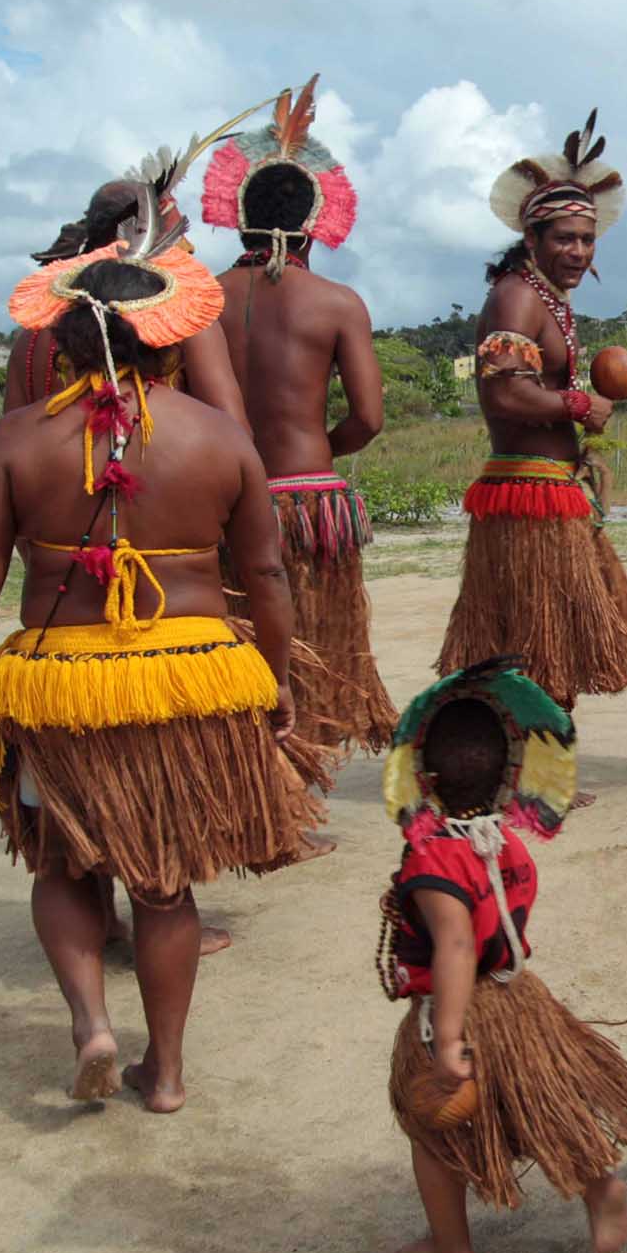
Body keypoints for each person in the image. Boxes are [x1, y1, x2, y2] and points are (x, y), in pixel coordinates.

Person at [0, 142, 325, 1114]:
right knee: (165, 884)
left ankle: (91, 1024)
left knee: (68, 861)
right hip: (193, 675)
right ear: (166, 338)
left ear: (66, 344)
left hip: (59, 682)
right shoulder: (220, 438)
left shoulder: (17, 440)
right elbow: (266, 575)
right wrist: (274, 682)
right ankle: (169, 1071)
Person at [376, 658, 627, 1253]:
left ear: (422, 774)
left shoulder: (433, 860)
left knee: (431, 1132)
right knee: (532, 1104)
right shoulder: (507, 842)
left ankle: (450, 1246)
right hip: (519, 1003)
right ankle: (599, 1186)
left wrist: (446, 1038)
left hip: (459, 1014)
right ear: (511, 774)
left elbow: (455, 946)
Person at [202, 75, 395, 758]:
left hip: (225, 502)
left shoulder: (202, 302)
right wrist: (318, 451)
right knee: (318, 647)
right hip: (311, 501)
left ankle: (259, 776)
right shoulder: (338, 303)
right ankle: (302, 774)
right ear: (314, 223)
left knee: (237, 639)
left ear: (237, 218)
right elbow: (368, 418)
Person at [437, 111, 627, 714]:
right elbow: (503, 394)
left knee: (550, 646)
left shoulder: (544, 300)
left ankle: (537, 764)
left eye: (586, 240)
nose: (578, 251)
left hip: (549, 488)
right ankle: (528, 772)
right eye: (564, 238)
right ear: (531, 240)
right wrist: (579, 404)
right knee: (536, 644)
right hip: (526, 492)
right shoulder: (516, 296)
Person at [8, 180, 246, 422]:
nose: (188, 249)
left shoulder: (31, 338)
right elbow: (235, 434)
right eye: (176, 238)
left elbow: (10, 443)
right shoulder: (185, 322)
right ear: (147, 235)